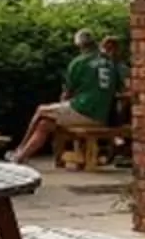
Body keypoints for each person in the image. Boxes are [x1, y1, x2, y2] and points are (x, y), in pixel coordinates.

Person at [11, 28, 111, 164]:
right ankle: (21, 157)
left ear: (79, 45)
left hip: (84, 110)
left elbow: (67, 93)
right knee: (45, 124)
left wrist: (62, 104)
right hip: (101, 115)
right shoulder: (109, 63)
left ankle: (19, 147)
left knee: (41, 110)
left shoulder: (79, 62)